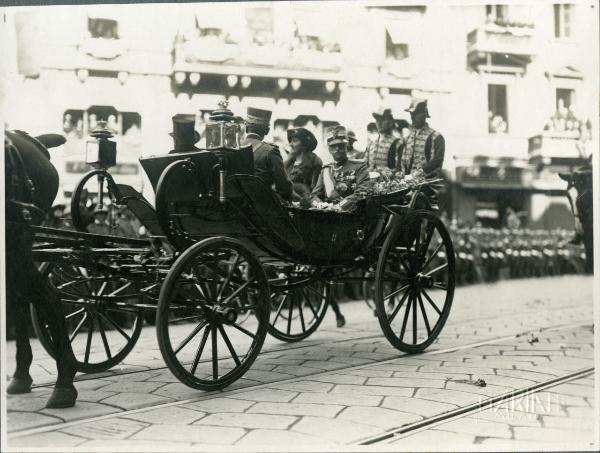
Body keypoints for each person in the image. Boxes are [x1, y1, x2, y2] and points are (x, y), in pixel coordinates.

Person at [310, 125, 369, 211]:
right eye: (333, 146)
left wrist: (339, 207)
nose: (337, 148)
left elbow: (361, 193)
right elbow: (313, 196)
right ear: (329, 150)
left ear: (346, 147)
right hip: (327, 213)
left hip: (350, 214)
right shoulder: (326, 169)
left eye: (341, 145)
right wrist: (320, 205)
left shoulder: (359, 166)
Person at [241, 107, 295, 202]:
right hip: (261, 208)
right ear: (267, 131)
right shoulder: (270, 151)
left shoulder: (234, 148)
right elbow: (284, 187)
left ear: (246, 128)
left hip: (236, 207)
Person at [395, 98, 445, 179]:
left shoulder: (436, 137)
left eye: (416, 113)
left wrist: (415, 175)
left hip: (427, 186)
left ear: (425, 114)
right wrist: (399, 176)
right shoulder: (408, 138)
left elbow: (437, 161)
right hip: (407, 186)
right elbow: (401, 161)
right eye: (411, 113)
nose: (412, 117)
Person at [284, 127, 322, 198]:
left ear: (304, 145)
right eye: (290, 141)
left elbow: (315, 188)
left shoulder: (315, 162)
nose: (291, 144)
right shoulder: (289, 161)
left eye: (295, 141)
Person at [365, 107, 403, 173]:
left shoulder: (397, 143)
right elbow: (365, 165)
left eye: (382, 120)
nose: (379, 123)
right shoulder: (372, 143)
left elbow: (400, 170)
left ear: (391, 122)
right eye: (377, 120)